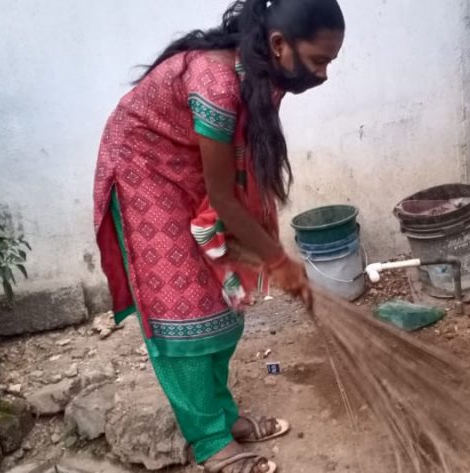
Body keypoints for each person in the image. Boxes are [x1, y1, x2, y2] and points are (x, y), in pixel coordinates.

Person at [92, 0, 345, 471]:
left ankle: (221, 415)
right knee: (182, 308)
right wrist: (278, 260)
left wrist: (264, 252)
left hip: (192, 169)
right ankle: (209, 441)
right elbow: (225, 199)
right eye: (319, 61)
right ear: (278, 44)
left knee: (224, 298)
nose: (323, 74)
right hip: (143, 170)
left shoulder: (265, 76)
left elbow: (235, 175)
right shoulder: (216, 80)